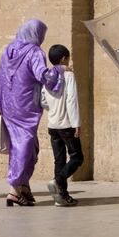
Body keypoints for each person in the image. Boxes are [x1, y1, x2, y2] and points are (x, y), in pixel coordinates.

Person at [0, 19, 65, 206]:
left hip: (8, 105)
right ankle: (14, 189)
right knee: (24, 144)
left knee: (25, 146)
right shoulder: (35, 52)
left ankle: (24, 187)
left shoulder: (8, 50)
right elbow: (43, 75)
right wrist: (59, 70)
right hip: (26, 107)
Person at [41, 44, 84, 207]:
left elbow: (43, 101)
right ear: (63, 59)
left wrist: (53, 111)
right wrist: (76, 123)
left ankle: (61, 197)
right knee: (77, 157)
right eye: (68, 57)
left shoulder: (47, 77)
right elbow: (71, 101)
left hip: (53, 125)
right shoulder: (68, 76)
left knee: (59, 160)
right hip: (67, 124)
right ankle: (58, 181)